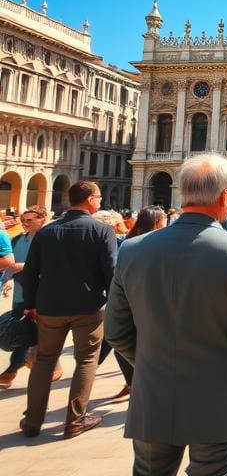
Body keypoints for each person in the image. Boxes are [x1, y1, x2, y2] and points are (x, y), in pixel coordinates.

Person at [104, 154, 227, 475]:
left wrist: (151, 363)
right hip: (222, 403)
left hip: (153, 396)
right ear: (226, 196)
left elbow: (114, 330)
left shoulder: (132, 250)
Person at [19, 181, 116, 438]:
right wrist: (115, 301)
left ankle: (32, 421)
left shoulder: (46, 232)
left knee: (44, 361)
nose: (99, 201)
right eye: (98, 197)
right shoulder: (101, 230)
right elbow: (112, 272)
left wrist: (30, 304)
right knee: (86, 360)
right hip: (88, 308)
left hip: (49, 307)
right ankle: (75, 420)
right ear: (90, 199)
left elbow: (29, 274)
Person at [98, 206, 167, 399]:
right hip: (145, 303)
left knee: (121, 339)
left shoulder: (127, 242)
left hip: (128, 301)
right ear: (157, 223)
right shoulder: (157, 243)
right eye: (163, 220)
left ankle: (132, 381)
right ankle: (139, 382)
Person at [0, 207, 62, 390]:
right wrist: (8, 280)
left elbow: (51, 266)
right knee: (26, 331)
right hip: (21, 294)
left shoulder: (49, 240)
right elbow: (10, 265)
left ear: (42, 220)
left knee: (35, 332)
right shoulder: (18, 238)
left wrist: (23, 267)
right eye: (23, 220)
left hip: (40, 295)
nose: (25, 223)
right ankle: (19, 369)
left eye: (30, 220)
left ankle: (12, 370)